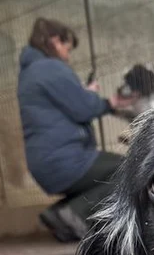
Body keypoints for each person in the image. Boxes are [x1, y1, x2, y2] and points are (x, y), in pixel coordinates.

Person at [17, 18, 123, 242]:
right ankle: (73, 215)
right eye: (67, 48)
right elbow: (84, 108)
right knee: (127, 169)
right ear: (55, 41)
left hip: (47, 160)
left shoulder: (31, 72)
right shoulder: (50, 67)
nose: (68, 55)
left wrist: (82, 93)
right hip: (65, 159)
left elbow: (67, 105)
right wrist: (103, 100)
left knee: (102, 174)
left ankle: (57, 215)